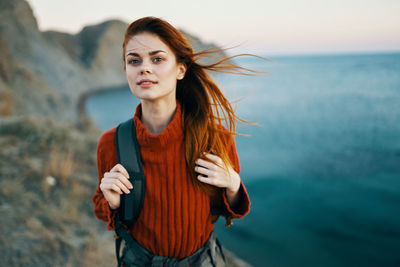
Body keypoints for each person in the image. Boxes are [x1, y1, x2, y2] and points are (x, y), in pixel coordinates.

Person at [92, 16, 251, 267]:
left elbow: (230, 209)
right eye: (134, 61)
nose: (144, 68)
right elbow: (102, 209)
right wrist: (110, 201)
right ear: (126, 70)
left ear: (180, 69)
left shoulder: (216, 137)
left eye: (157, 59)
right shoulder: (111, 142)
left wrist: (233, 185)